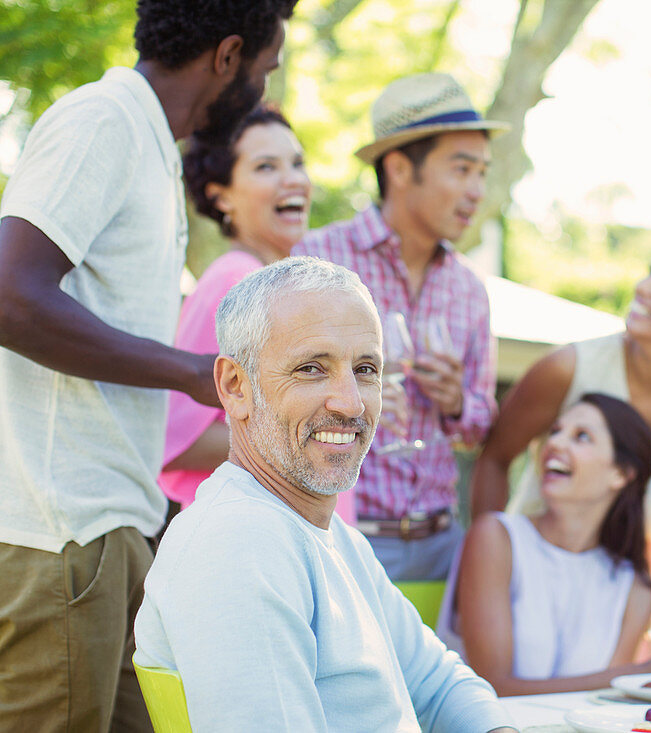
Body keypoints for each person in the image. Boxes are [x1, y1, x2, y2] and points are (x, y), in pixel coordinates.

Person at [0, 2, 295, 729]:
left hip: (120, 531)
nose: (262, 88)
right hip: (63, 529)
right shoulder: (104, 120)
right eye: (264, 70)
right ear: (228, 55)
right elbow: (9, 294)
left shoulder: (150, 142)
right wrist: (193, 371)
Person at [134, 257, 516, 732]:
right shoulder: (239, 544)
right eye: (312, 369)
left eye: (366, 369)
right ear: (235, 387)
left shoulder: (331, 537)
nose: (351, 402)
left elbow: (440, 686)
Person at [471, 238, 651, 648]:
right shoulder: (567, 368)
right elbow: (495, 458)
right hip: (528, 583)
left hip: (625, 605)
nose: (643, 287)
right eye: (650, 273)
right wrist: (487, 571)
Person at [295, 72, 507, 580]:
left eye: (482, 172)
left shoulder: (469, 289)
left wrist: (456, 401)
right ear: (398, 168)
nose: (476, 190)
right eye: (461, 169)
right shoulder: (317, 259)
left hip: (441, 547)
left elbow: (480, 427)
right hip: (341, 541)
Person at [158, 105, 355, 524]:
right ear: (220, 195)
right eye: (266, 167)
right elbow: (174, 441)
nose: (293, 179)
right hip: (254, 537)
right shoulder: (233, 281)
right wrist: (313, 430)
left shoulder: (289, 285)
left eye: (297, 163)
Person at [440, 393, 651, 694]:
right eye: (556, 432)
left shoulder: (634, 587)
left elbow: (602, 705)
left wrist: (635, 677)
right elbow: (492, 688)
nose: (555, 444)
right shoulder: (496, 539)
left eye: (582, 437)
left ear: (621, 474)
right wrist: (641, 674)